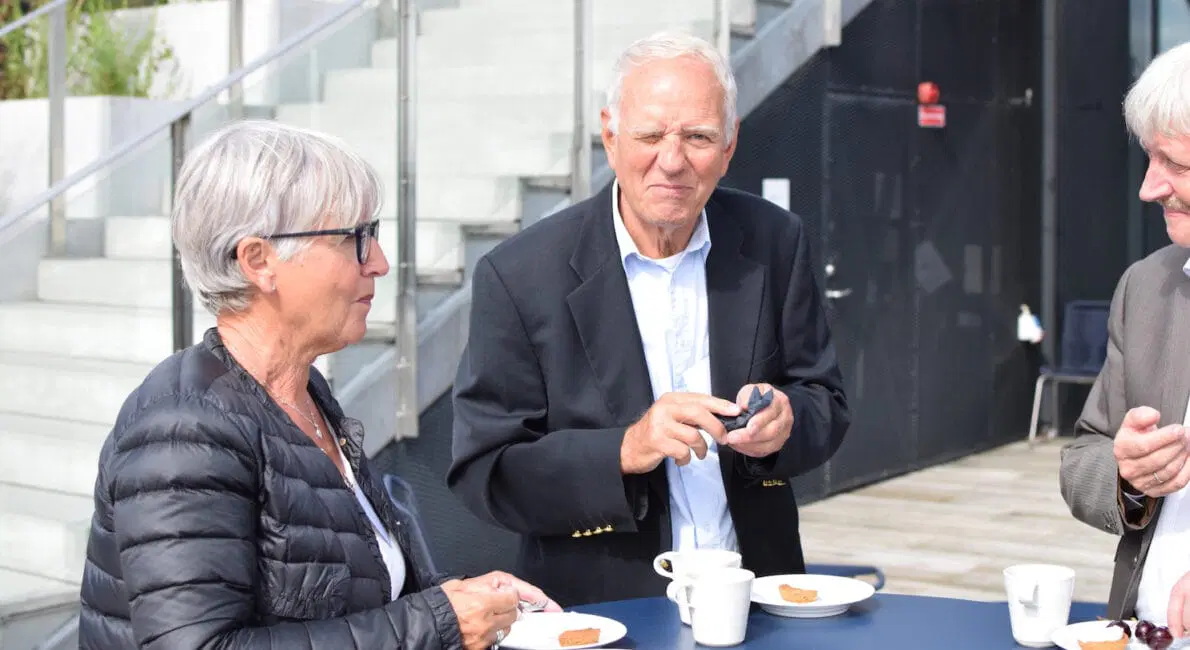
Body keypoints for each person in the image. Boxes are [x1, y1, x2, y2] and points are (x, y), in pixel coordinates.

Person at [78, 120, 558, 650]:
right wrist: (437, 622)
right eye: (355, 239)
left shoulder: (301, 395)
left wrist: (466, 600)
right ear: (259, 260)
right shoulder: (185, 428)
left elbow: (356, 603)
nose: (378, 262)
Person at [447, 31, 850, 607]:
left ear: (731, 143)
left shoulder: (776, 240)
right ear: (610, 136)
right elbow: (486, 471)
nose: (673, 160)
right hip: (601, 613)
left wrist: (786, 424)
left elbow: (825, 401)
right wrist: (624, 449)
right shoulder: (519, 275)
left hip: (758, 599)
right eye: (650, 134)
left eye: (698, 137)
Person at [1060, 41, 1190, 637]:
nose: (1149, 188)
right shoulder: (1145, 287)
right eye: (1148, 159)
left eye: (1176, 166)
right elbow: (1084, 456)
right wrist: (1127, 478)